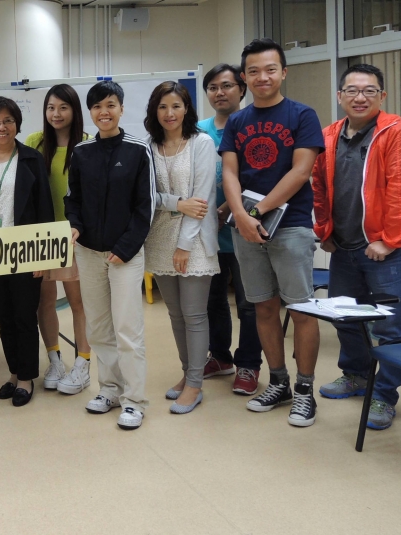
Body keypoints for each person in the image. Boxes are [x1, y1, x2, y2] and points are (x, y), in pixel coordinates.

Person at [220, 38, 325, 427]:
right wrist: (242, 218)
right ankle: (278, 382)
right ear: (244, 77)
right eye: (253, 71)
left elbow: (301, 172)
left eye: (269, 69)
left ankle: (305, 391)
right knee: (262, 307)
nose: (262, 77)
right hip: (246, 230)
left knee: (300, 309)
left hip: (291, 225)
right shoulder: (237, 121)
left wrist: (255, 211)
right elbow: (229, 172)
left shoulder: (302, 115)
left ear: (283, 72)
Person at [313, 64, 401, 430]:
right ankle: (356, 376)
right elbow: (319, 188)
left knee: (392, 329)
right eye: (353, 90)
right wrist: (324, 230)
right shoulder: (328, 136)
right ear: (340, 95)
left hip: (386, 251)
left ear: (382, 97)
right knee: (346, 319)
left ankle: (384, 396)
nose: (360, 97)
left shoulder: (396, 132)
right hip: (344, 248)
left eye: (369, 91)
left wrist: (387, 241)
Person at [64, 81, 153, 430]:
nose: (105, 112)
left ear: (121, 109)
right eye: (98, 106)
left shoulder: (136, 150)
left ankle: (134, 400)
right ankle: (110, 390)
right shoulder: (82, 152)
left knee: (128, 329)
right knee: (99, 328)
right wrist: (75, 226)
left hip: (124, 256)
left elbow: (145, 207)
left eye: (111, 105)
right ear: (90, 112)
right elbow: (73, 199)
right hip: (88, 253)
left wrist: (124, 248)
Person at [142, 81, 219, 414]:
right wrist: (177, 202)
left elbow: (201, 200)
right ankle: (188, 374)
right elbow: (148, 197)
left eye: (175, 106)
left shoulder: (201, 143)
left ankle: (195, 384)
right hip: (159, 238)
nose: (169, 113)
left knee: (194, 314)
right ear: (154, 111)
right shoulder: (149, 145)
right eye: (162, 107)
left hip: (195, 240)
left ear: (186, 109)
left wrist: (185, 245)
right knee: (174, 314)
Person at [0, 97, 55, 407]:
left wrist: (42, 256)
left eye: (8, 120)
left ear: (17, 124)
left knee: (24, 316)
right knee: (5, 317)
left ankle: (26, 377)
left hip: (25, 251)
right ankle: (13, 372)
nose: (1, 126)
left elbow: (45, 210)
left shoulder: (32, 159)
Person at [198, 64, 264, 396]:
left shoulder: (255, 125)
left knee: (249, 302)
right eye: (212, 87)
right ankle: (220, 357)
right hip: (207, 232)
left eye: (226, 85)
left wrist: (233, 208)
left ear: (242, 88)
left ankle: (249, 364)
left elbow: (264, 180)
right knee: (212, 300)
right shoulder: (198, 130)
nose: (220, 92)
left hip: (245, 229)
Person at [24, 84, 93, 393]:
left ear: (74, 111)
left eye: (63, 107)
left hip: (76, 236)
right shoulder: (34, 143)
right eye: (51, 107)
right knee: (45, 301)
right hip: (42, 236)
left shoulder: (88, 145)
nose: (56, 113)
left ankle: (83, 363)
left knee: (79, 302)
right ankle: (54, 360)